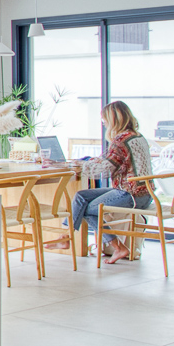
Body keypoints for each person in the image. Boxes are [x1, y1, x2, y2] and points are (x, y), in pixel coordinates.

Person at [69, 101, 153, 265]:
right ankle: (68, 234)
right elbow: (112, 160)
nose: (103, 123)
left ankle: (117, 247)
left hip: (131, 194)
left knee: (89, 208)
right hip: (145, 194)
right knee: (81, 196)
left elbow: (105, 169)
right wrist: (91, 162)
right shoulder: (137, 136)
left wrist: (81, 166)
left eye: (104, 119)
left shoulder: (120, 140)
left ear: (113, 119)